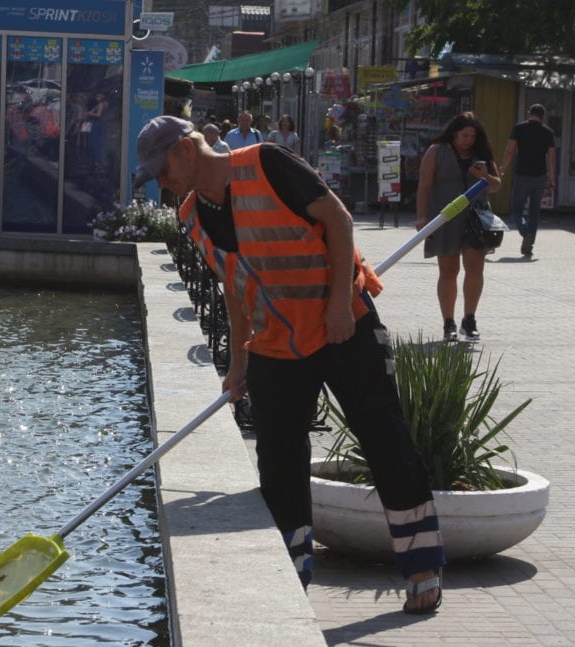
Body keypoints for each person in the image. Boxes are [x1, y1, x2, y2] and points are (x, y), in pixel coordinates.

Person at [132, 115, 445, 615]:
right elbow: (234, 290)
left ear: (185, 150)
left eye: (161, 169)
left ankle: (422, 565)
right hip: (277, 342)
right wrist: (236, 364)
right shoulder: (191, 214)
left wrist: (341, 303)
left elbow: (339, 221)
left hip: (343, 325)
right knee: (278, 465)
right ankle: (292, 575)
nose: (161, 182)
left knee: (385, 438)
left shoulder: (267, 162)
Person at [415, 112, 502, 342]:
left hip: (476, 218)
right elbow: (424, 185)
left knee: (475, 268)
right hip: (445, 217)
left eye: (472, 136)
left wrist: (484, 176)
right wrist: (422, 217)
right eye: (464, 135)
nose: (468, 140)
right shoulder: (436, 151)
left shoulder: (481, 153)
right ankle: (448, 323)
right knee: (449, 269)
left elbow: (496, 186)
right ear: (454, 134)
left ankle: (469, 319)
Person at [499, 103, 556, 257]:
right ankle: (529, 246)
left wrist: (503, 168)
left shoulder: (519, 128)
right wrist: (551, 178)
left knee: (516, 210)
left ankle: (525, 234)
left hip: (522, 174)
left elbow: (509, 150)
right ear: (542, 116)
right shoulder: (548, 132)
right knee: (534, 213)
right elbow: (551, 158)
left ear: (529, 113)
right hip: (540, 176)